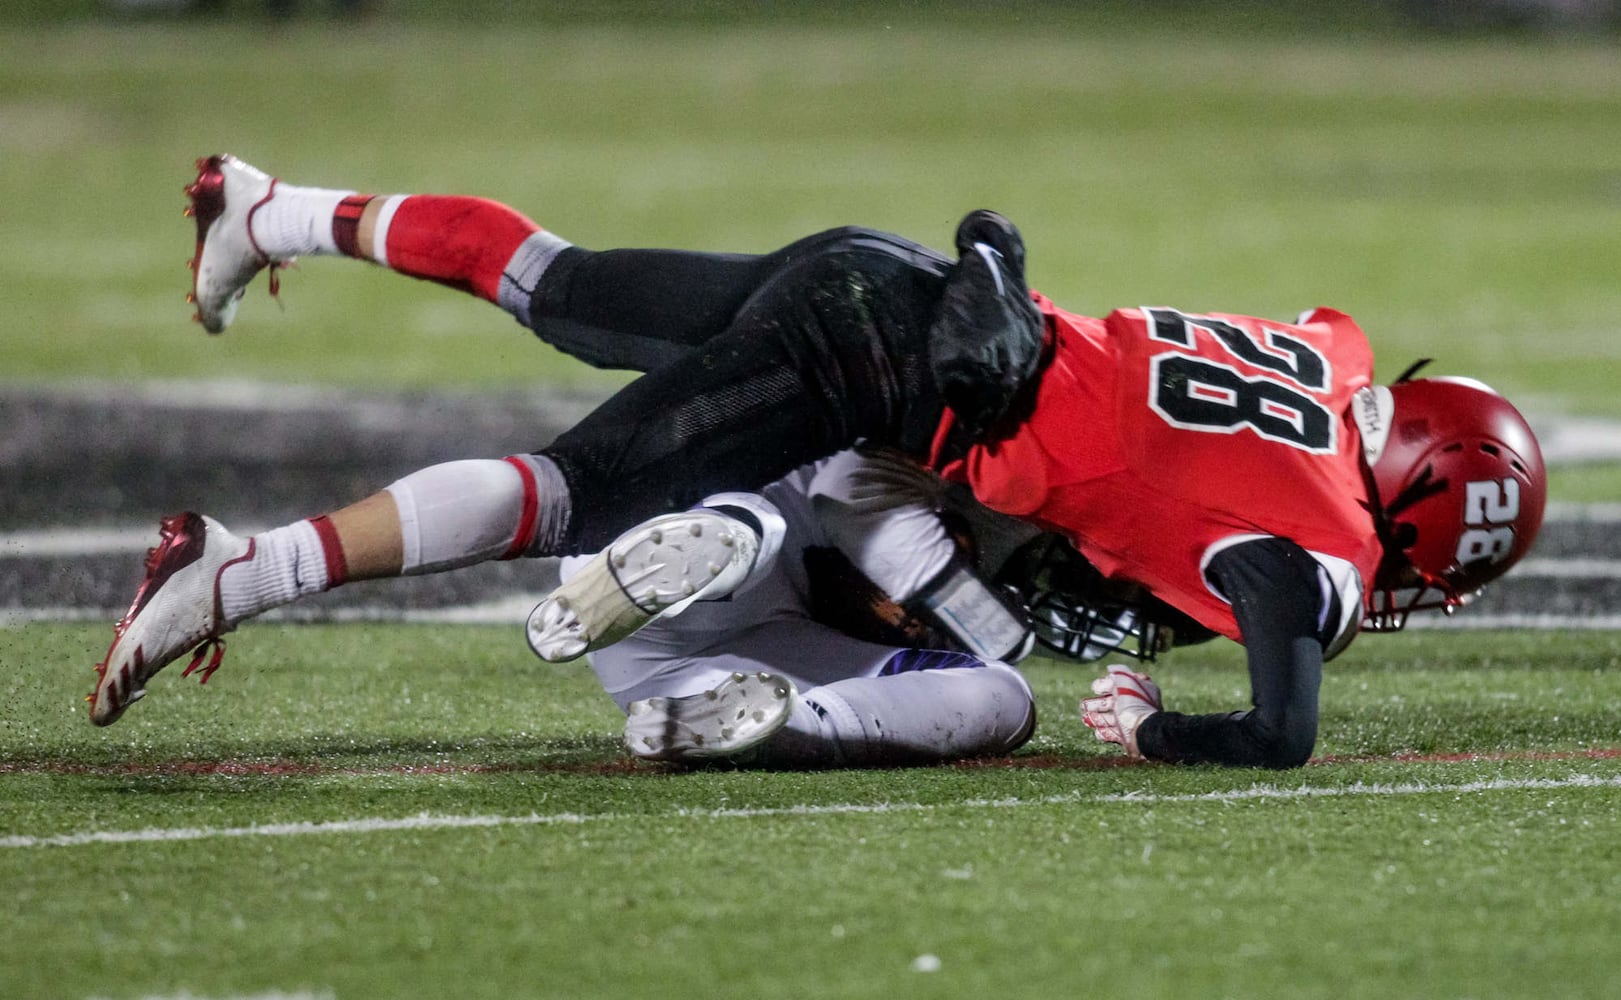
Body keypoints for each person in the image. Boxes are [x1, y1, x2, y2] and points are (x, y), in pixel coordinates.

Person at [90, 153, 1547, 772]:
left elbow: (1302, 363)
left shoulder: (1335, 356)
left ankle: (277, 212)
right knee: (579, 496)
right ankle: (248, 568)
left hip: (885, 283)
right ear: (1406, 515)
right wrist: (1158, 730)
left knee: (560, 283)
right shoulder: (1322, 544)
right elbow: (1283, 721)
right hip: (881, 386)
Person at [528, 447, 1039, 767]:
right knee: (748, 525)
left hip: (673, 675)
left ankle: (785, 729)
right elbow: (846, 494)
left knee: (1005, 695)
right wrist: (978, 613)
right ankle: (646, 575)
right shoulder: (907, 460)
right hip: (688, 542)